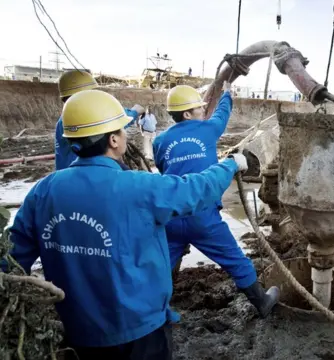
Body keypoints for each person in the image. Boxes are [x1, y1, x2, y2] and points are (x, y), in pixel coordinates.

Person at [6, 89, 248, 359]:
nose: (124, 136)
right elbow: (196, 190)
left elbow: (11, 263)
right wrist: (230, 164)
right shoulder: (138, 186)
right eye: (122, 130)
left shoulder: (42, 192)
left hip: (78, 333)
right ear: (113, 140)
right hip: (140, 331)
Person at [153, 82, 280, 318]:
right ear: (188, 113)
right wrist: (228, 93)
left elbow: (164, 172)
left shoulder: (159, 141)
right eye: (199, 109)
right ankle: (262, 302)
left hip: (170, 215)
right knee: (235, 259)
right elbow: (222, 113)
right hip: (203, 217)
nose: (204, 112)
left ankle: (155, 311)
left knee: (162, 267)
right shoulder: (209, 129)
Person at [55, 70, 144, 170]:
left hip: (70, 175)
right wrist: (134, 112)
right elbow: (109, 120)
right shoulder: (82, 119)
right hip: (85, 176)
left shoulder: (65, 120)